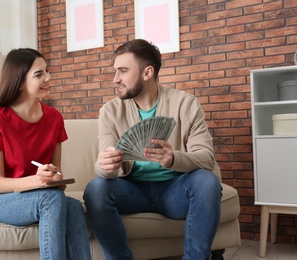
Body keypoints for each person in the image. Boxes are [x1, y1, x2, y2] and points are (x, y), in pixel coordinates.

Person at [83, 39, 222, 260]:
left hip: (175, 190)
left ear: (147, 73)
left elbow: (207, 158)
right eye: (115, 71)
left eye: (123, 71)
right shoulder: (109, 111)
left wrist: (173, 158)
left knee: (207, 182)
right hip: (131, 191)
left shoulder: (186, 104)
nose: (115, 79)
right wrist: (106, 166)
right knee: (96, 188)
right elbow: (104, 166)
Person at [0, 48, 91, 260]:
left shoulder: (54, 118)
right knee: (51, 198)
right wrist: (37, 181)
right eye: (39, 74)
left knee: (73, 206)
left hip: (37, 195)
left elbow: (58, 175)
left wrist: (54, 177)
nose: (48, 78)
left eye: (47, 71)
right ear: (19, 82)